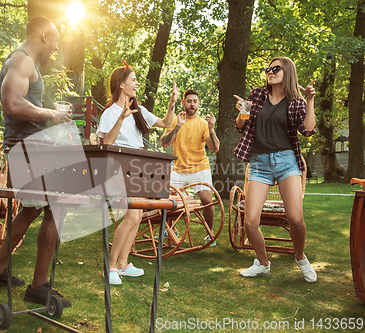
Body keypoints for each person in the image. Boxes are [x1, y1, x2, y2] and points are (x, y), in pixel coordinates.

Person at [0, 16, 73, 307]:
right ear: (44, 36)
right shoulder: (22, 62)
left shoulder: (20, 61)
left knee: (32, 210)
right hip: (28, 148)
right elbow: (11, 103)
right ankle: (39, 286)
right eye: (55, 41)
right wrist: (52, 115)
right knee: (59, 205)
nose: (56, 48)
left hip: (25, 146)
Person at [233, 56, 317, 283]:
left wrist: (309, 101)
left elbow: (308, 130)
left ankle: (300, 257)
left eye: (275, 68)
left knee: (295, 219)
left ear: (287, 72)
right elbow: (241, 126)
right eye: (268, 68)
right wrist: (244, 110)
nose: (270, 71)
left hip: (286, 161)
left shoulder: (295, 101)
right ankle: (262, 263)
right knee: (250, 222)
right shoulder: (257, 95)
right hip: (259, 163)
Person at [96, 63, 178, 284]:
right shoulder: (110, 113)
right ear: (121, 84)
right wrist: (121, 118)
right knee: (131, 215)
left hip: (138, 168)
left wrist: (171, 103)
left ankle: (123, 263)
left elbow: (166, 123)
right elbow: (108, 143)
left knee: (139, 215)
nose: (137, 83)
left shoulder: (138, 110)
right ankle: (110, 266)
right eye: (133, 79)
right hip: (117, 168)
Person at [160, 89, 220, 246]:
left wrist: (212, 129)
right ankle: (172, 229)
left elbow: (214, 149)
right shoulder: (174, 120)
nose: (192, 104)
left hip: (200, 167)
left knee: (207, 198)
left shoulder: (203, 124)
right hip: (179, 169)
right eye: (189, 101)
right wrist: (178, 126)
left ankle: (209, 233)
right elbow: (164, 142)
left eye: (195, 101)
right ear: (183, 103)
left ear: (198, 103)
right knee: (167, 198)